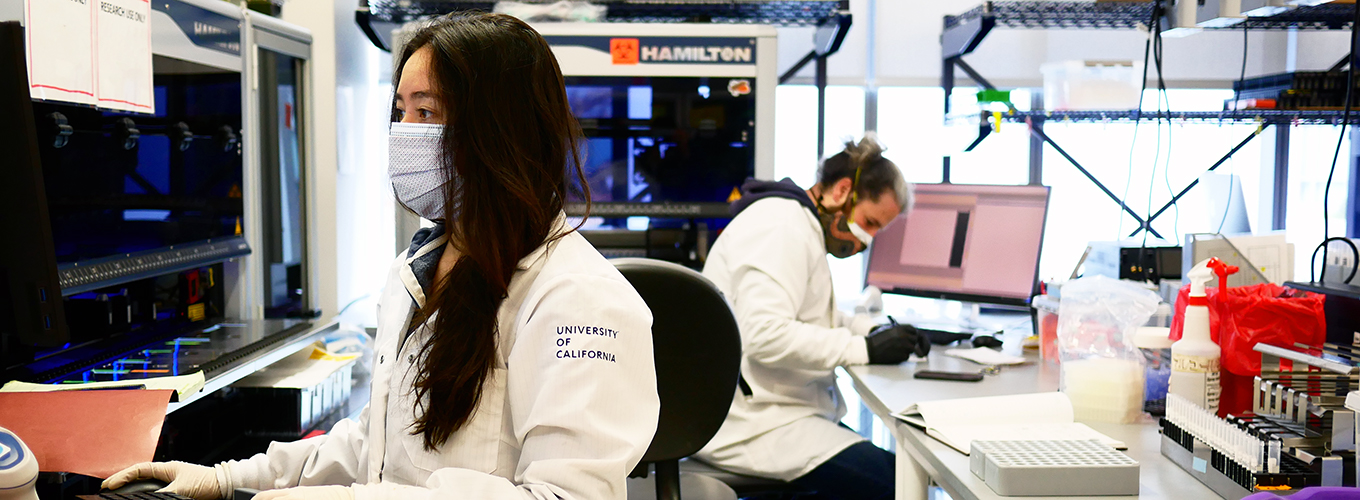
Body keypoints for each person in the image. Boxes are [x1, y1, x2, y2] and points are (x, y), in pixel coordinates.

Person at [103, 13, 659, 500]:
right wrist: (227, 479)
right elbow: (377, 443)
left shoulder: (580, 301)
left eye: (427, 112)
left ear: (500, 132)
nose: (404, 133)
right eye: (400, 111)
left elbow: (566, 496)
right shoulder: (415, 269)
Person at [692, 136, 926, 499]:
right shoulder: (782, 229)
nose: (868, 239)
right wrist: (864, 349)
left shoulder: (798, 223)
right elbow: (765, 335)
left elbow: (813, 315)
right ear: (842, 191)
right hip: (757, 424)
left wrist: (878, 331)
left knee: (899, 472)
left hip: (781, 411)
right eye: (869, 222)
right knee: (902, 485)